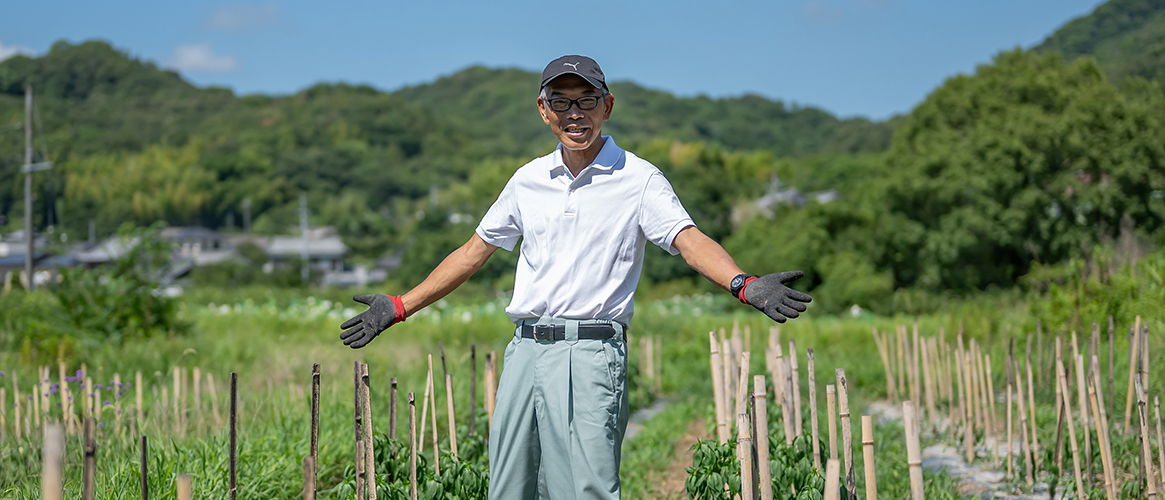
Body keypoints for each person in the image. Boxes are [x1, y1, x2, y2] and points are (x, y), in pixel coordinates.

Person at [339, 55, 812, 499]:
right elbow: (472, 253)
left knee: (584, 489)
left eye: (586, 100)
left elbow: (689, 241)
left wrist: (744, 284)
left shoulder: (638, 179)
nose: (575, 113)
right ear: (543, 110)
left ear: (607, 105)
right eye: (561, 102)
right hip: (525, 350)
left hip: (590, 351)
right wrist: (399, 306)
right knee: (509, 487)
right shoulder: (527, 180)